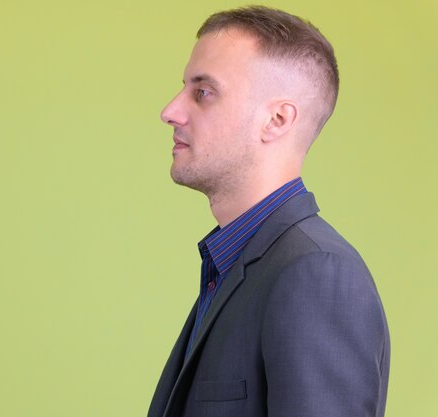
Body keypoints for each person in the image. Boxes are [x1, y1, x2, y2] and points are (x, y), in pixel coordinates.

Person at [148, 6, 390, 417]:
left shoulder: (316, 275)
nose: (170, 111)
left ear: (277, 120)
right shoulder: (236, 265)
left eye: (203, 92)